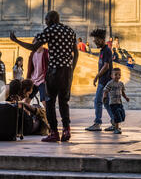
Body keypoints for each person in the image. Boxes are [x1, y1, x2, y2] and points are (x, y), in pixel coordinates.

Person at [10, 10, 78, 143]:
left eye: (46, 20)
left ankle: (54, 132)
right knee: (64, 102)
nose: (45, 23)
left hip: (54, 72)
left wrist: (16, 40)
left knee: (50, 102)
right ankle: (66, 130)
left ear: (51, 20)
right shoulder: (70, 31)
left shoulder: (50, 30)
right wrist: (71, 70)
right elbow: (76, 53)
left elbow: (34, 47)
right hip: (67, 72)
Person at [85, 29, 115, 132]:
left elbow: (106, 66)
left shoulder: (107, 50)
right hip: (104, 80)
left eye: (96, 39)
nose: (94, 42)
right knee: (105, 103)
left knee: (98, 101)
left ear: (102, 40)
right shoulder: (103, 51)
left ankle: (97, 123)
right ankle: (115, 122)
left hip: (105, 81)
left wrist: (97, 76)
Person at [103, 68, 129, 134]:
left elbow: (122, 92)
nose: (118, 76)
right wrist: (104, 97)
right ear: (112, 76)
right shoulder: (110, 83)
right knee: (117, 116)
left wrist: (126, 97)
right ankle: (116, 129)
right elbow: (105, 91)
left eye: (119, 75)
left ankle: (113, 122)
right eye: (116, 74)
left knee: (122, 116)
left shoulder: (121, 84)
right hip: (113, 103)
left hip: (119, 102)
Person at [26, 40, 49, 108]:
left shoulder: (46, 52)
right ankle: (25, 115)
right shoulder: (32, 53)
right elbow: (29, 68)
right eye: (34, 45)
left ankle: (48, 116)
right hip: (33, 80)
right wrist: (28, 79)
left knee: (44, 100)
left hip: (42, 80)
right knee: (27, 99)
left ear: (41, 44)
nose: (35, 47)